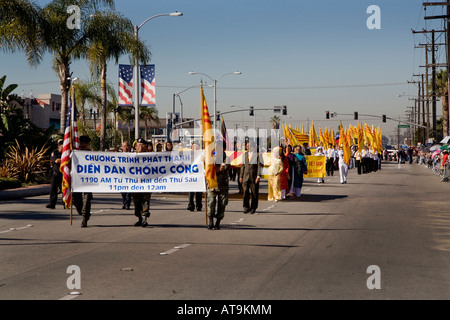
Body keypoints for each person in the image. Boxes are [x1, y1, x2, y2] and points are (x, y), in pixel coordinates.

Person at [72, 135, 93, 228]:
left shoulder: (93, 155)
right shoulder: (75, 153)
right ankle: (82, 212)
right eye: (82, 143)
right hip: (77, 180)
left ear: (88, 144)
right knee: (76, 200)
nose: (83, 145)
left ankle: (85, 218)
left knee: (87, 199)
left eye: (85, 143)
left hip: (88, 181)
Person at [206, 152, 230, 230]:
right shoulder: (210, 157)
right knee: (211, 202)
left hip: (223, 185)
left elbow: (223, 168)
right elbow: (207, 168)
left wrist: (216, 169)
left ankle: (218, 222)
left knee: (222, 204)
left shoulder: (227, 158)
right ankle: (210, 221)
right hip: (212, 184)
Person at [132, 138, 152, 227]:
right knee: (137, 203)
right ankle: (139, 218)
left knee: (145, 201)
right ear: (135, 147)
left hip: (146, 183)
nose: (140, 146)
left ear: (145, 146)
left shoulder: (151, 157)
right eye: (138, 145)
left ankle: (144, 218)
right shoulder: (131, 157)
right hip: (135, 184)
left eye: (142, 144)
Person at [239, 140, 261, 214]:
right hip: (245, 177)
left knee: (254, 193)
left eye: (248, 146)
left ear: (252, 147)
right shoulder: (244, 154)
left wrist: (258, 176)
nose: (247, 147)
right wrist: (241, 176)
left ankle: (253, 207)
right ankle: (246, 207)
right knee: (245, 192)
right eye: (246, 146)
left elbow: (259, 166)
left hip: (253, 177)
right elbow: (243, 166)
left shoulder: (258, 155)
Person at [46, 139, 64, 209]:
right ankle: (52, 204)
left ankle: (65, 203)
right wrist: (65, 160)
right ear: (59, 146)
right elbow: (56, 160)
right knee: (53, 189)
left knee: (64, 189)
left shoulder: (66, 153)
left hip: (64, 174)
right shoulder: (55, 152)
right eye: (61, 146)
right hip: (56, 173)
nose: (62, 147)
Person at [187, 142, 203, 212]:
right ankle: (190, 205)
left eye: (196, 147)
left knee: (199, 192)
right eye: (193, 147)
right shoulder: (189, 156)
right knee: (191, 192)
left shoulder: (201, 155)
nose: (194, 148)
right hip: (191, 176)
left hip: (199, 176)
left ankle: (199, 205)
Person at [120, 141, 132, 210]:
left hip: (130, 176)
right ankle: (124, 203)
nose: (126, 148)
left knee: (128, 192)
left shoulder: (132, 155)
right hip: (122, 176)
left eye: (127, 146)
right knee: (123, 192)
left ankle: (127, 204)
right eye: (124, 146)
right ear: (122, 148)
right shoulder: (119, 156)